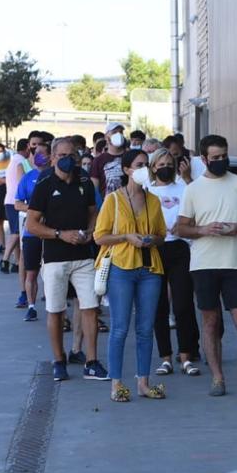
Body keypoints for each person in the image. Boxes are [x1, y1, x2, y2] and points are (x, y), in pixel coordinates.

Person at [175, 134, 237, 398]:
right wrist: (203, 229)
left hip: (235, 263)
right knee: (210, 322)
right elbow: (180, 227)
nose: (221, 161)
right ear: (204, 159)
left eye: (224, 156)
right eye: (215, 158)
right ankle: (218, 379)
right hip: (204, 264)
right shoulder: (193, 189)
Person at [25, 137, 106, 383]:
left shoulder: (83, 179)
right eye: (61, 155)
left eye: (71, 154)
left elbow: (94, 212)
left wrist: (90, 232)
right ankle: (59, 360)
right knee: (56, 310)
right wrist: (60, 234)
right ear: (52, 157)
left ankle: (91, 361)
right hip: (55, 258)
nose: (67, 159)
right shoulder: (45, 182)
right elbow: (32, 224)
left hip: (83, 256)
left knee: (90, 307)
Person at [94, 149, 168, 402]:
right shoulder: (113, 200)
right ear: (127, 169)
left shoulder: (153, 200)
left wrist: (150, 240)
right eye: (139, 165)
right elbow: (99, 236)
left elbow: (162, 234)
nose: (145, 168)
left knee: (146, 328)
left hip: (150, 269)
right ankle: (116, 385)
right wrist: (126, 237)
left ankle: (143, 382)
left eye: (147, 164)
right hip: (121, 268)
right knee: (120, 328)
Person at [144, 148, 201, 377]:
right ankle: (165, 357)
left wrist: (184, 227)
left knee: (183, 304)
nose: (165, 167)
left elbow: (195, 213)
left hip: (180, 248)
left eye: (169, 163)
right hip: (155, 248)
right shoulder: (146, 191)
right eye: (161, 164)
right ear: (153, 167)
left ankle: (186, 356)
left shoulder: (184, 188)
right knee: (158, 306)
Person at [14, 145, 50, 322]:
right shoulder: (27, 178)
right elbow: (17, 203)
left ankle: (56, 307)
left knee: (52, 271)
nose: (40, 156)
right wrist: (34, 209)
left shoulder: (54, 177)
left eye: (44, 153)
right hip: (31, 232)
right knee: (31, 272)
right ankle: (31, 307)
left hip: (52, 232)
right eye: (37, 154)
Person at [5, 138, 34, 295]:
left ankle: (12, 260)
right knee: (17, 234)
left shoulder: (16, 160)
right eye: (32, 146)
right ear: (27, 148)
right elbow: (21, 185)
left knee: (17, 236)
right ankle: (6, 258)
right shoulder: (20, 162)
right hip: (17, 203)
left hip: (12, 201)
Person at [89, 121, 128, 196]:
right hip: (107, 204)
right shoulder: (98, 160)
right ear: (106, 137)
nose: (118, 134)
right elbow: (94, 188)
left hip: (127, 203)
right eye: (114, 132)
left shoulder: (131, 157)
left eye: (121, 132)